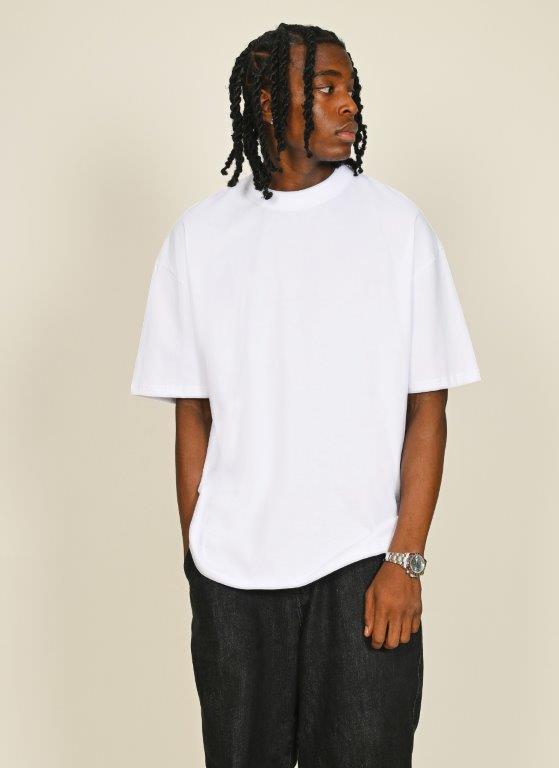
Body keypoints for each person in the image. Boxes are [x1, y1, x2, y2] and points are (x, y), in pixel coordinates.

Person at [130, 22, 481, 768]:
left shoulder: (397, 228)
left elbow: (428, 407)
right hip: (233, 576)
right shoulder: (199, 238)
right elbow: (193, 414)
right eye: (325, 88)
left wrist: (406, 560)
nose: (347, 104)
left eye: (350, 88)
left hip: (363, 568)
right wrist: (198, 555)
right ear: (266, 104)